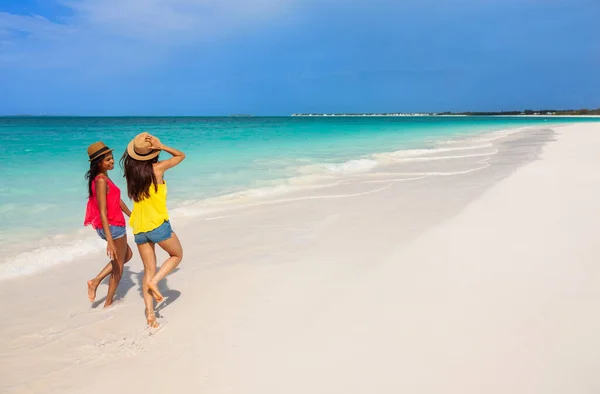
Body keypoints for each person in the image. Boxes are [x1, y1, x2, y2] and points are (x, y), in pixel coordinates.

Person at [121, 132, 185, 328]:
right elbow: (180, 156)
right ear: (152, 152)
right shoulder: (157, 169)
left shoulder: (132, 173)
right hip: (157, 224)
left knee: (148, 269)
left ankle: (150, 314)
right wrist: (162, 145)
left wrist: (150, 148)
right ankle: (155, 281)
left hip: (139, 227)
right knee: (176, 255)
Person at [84, 142, 133, 307]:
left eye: (111, 158)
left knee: (126, 256)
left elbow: (117, 201)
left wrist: (131, 215)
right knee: (118, 265)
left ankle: (96, 281)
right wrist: (110, 241)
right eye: (107, 160)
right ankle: (108, 302)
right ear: (99, 163)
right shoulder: (101, 181)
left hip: (113, 225)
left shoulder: (104, 177)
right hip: (112, 226)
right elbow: (103, 211)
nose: (112, 162)